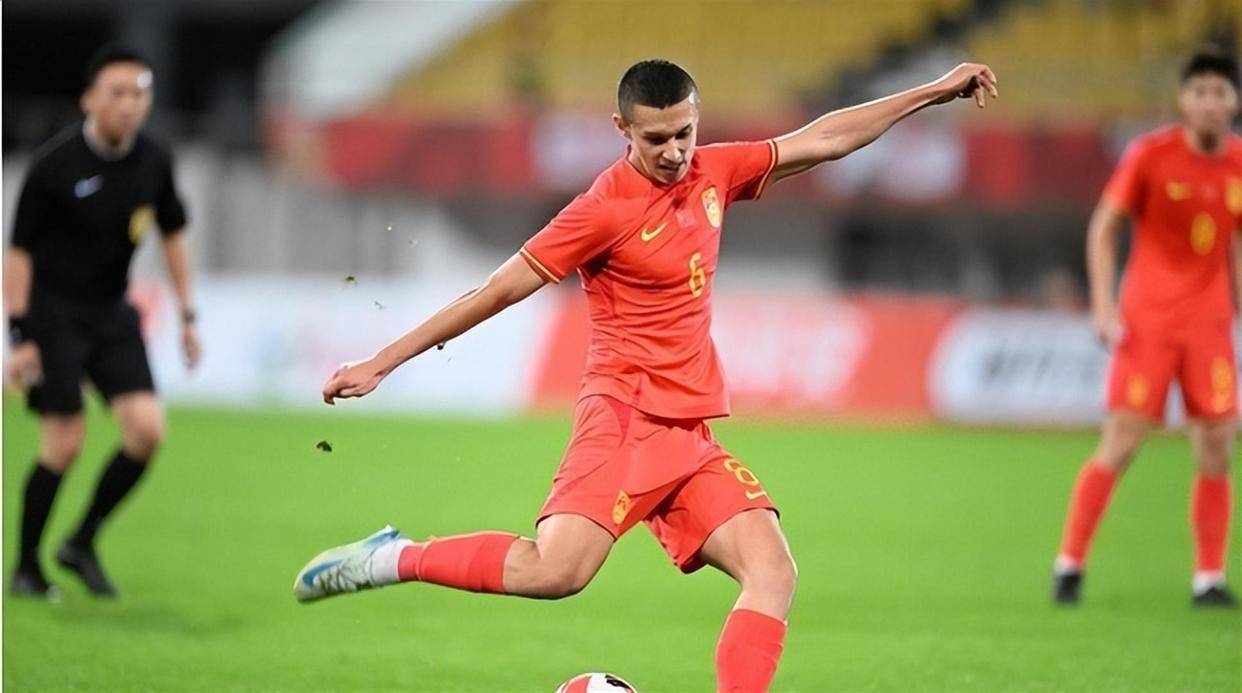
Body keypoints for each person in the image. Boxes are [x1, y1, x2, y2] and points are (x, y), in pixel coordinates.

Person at [294, 59, 996, 691]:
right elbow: (497, 290)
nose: (674, 152)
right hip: (624, 419)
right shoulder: (602, 210)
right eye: (655, 138)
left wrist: (933, 92)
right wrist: (382, 361)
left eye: (684, 133)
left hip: (689, 433)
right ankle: (396, 558)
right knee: (556, 572)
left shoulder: (715, 171)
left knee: (773, 571)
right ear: (621, 129)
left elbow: (826, 139)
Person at [4, 45, 200, 599]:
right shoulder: (54, 165)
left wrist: (188, 315)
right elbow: (18, 254)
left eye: (139, 93)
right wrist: (20, 334)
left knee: (147, 431)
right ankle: (26, 568)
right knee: (64, 443)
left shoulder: (154, 161)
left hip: (112, 312)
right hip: (53, 313)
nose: (129, 104)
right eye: (117, 93)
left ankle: (82, 540)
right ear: (89, 99)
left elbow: (173, 234)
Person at [1051, 50, 1240, 607]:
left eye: (1220, 92)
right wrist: (1103, 305)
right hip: (1149, 322)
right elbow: (1104, 226)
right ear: (1183, 99)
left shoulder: (1238, 163)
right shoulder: (1151, 156)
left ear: (1234, 101)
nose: (1210, 102)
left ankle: (1209, 577)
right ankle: (1070, 563)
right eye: (1200, 91)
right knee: (1123, 441)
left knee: (1217, 445)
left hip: (1210, 325)